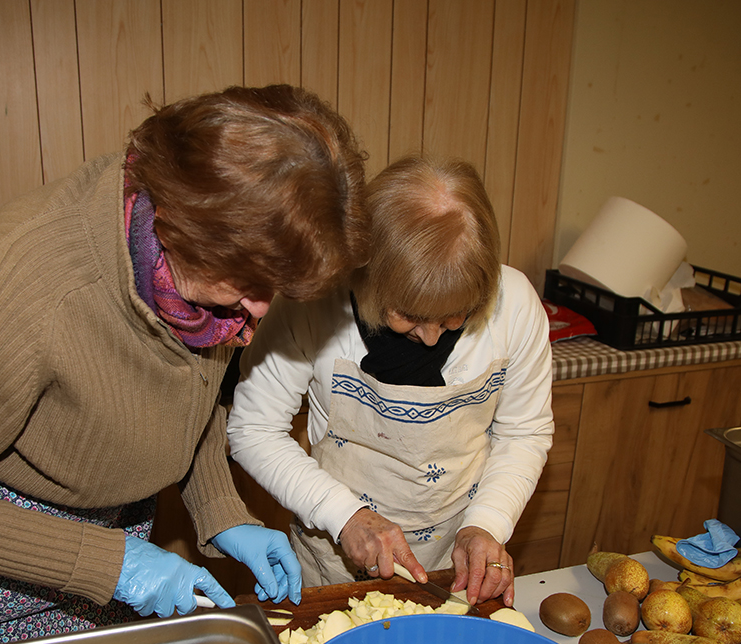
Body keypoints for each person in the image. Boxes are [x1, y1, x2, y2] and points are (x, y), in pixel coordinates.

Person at [0, 85, 369, 644]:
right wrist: (112, 563)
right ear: (181, 229)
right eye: (250, 287)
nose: (259, 314)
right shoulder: (23, 289)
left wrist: (220, 510)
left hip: (117, 531)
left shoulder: (201, 263)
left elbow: (183, 391)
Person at [227, 155, 553, 608]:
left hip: (451, 562)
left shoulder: (514, 305)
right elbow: (252, 430)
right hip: (332, 558)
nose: (432, 336)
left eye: (456, 315)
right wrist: (344, 516)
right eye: (411, 316)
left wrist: (489, 524)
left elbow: (524, 432)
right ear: (369, 277)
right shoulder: (314, 303)